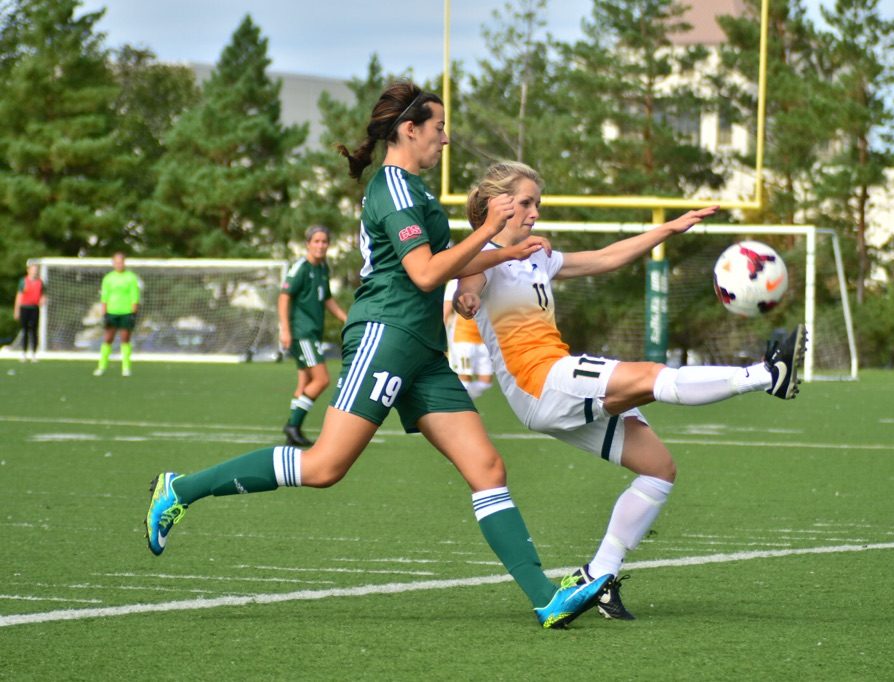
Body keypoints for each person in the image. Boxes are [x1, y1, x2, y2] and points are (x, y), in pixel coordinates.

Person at [144, 82, 611, 629]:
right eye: (438, 128)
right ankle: (180, 489)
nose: (445, 138)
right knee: (324, 466)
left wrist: (503, 252)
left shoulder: (415, 189)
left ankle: (544, 598)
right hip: (385, 335)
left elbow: (447, 266)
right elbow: (423, 273)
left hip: (423, 349)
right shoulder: (393, 188)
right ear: (410, 129)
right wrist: (489, 232)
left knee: (487, 467)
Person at [454, 161, 807, 620]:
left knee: (658, 469)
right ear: (496, 204)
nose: (534, 212)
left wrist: (668, 230)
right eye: (525, 203)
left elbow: (604, 258)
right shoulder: (483, 258)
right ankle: (765, 376)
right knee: (650, 376)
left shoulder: (537, 254)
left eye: (537, 202)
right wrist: (467, 298)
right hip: (540, 380)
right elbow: (468, 284)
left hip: (553, 383)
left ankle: (598, 577)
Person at [279, 226, 349, 447]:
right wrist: (286, 330)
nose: (320, 245)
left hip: (312, 334)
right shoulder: (301, 267)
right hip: (303, 334)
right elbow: (284, 297)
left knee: (305, 381)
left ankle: (293, 430)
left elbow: (326, 298)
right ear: (307, 243)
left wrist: (346, 318)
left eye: (324, 242)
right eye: (316, 241)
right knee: (322, 380)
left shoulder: (322, 268)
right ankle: (292, 424)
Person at [442, 279, 493, 399]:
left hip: (483, 340)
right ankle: (457, 407)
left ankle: (459, 401)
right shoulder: (454, 283)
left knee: (486, 381)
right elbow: (446, 313)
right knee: (464, 378)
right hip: (463, 338)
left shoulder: (487, 278)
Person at [94, 252, 140, 377]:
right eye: (117, 262)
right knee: (108, 338)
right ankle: (101, 366)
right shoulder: (108, 278)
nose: (119, 264)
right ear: (113, 263)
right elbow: (104, 297)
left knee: (125, 339)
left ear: (124, 263)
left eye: (121, 262)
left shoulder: (131, 277)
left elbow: (134, 295)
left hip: (126, 312)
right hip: (112, 312)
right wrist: (104, 313)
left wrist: (134, 311)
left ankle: (126, 368)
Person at [13, 263, 45, 363]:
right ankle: (23, 353)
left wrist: (43, 300)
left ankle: (34, 353)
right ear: (28, 270)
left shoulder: (40, 282)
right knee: (24, 330)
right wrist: (17, 310)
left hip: (34, 308)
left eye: (36, 269)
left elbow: (44, 295)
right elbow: (19, 296)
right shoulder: (23, 281)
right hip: (24, 308)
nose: (35, 271)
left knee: (34, 331)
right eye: (33, 269)